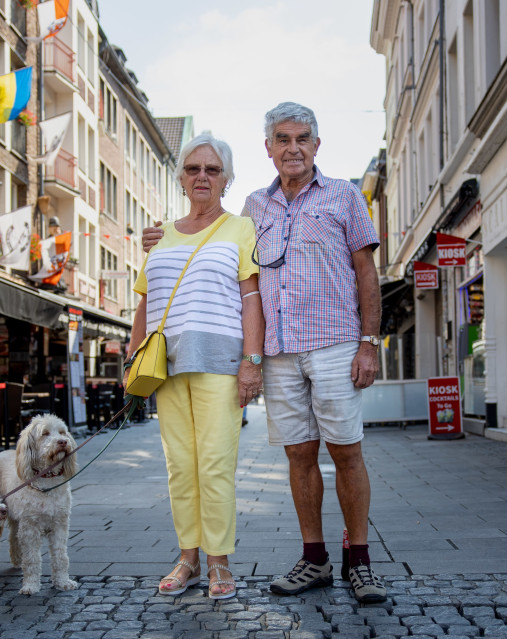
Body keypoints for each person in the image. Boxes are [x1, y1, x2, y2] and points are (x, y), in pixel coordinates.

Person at [143, 103, 386, 603]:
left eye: (302, 138)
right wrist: (158, 236)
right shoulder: (256, 206)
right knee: (299, 455)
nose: (292, 148)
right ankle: (314, 558)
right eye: (282, 139)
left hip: (335, 342)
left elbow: (367, 272)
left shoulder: (344, 196)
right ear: (269, 148)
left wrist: (369, 342)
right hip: (279, 351)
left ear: (316, 145)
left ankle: (359, 560)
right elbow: (215, 248)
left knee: (346, 451)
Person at [127, 132, 264, 600]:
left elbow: (251, 299)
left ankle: (219, 562)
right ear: (182, 178)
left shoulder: (240, 228)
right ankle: (188, 557)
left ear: (226, 179)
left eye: (211, 169)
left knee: (216, 464)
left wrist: (252, 361)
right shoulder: (159, 235)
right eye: (192, 169)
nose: (201, 176)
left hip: (219, 363)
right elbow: (144, 302)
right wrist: (133, 356)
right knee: (179, 467)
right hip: (168, 365)